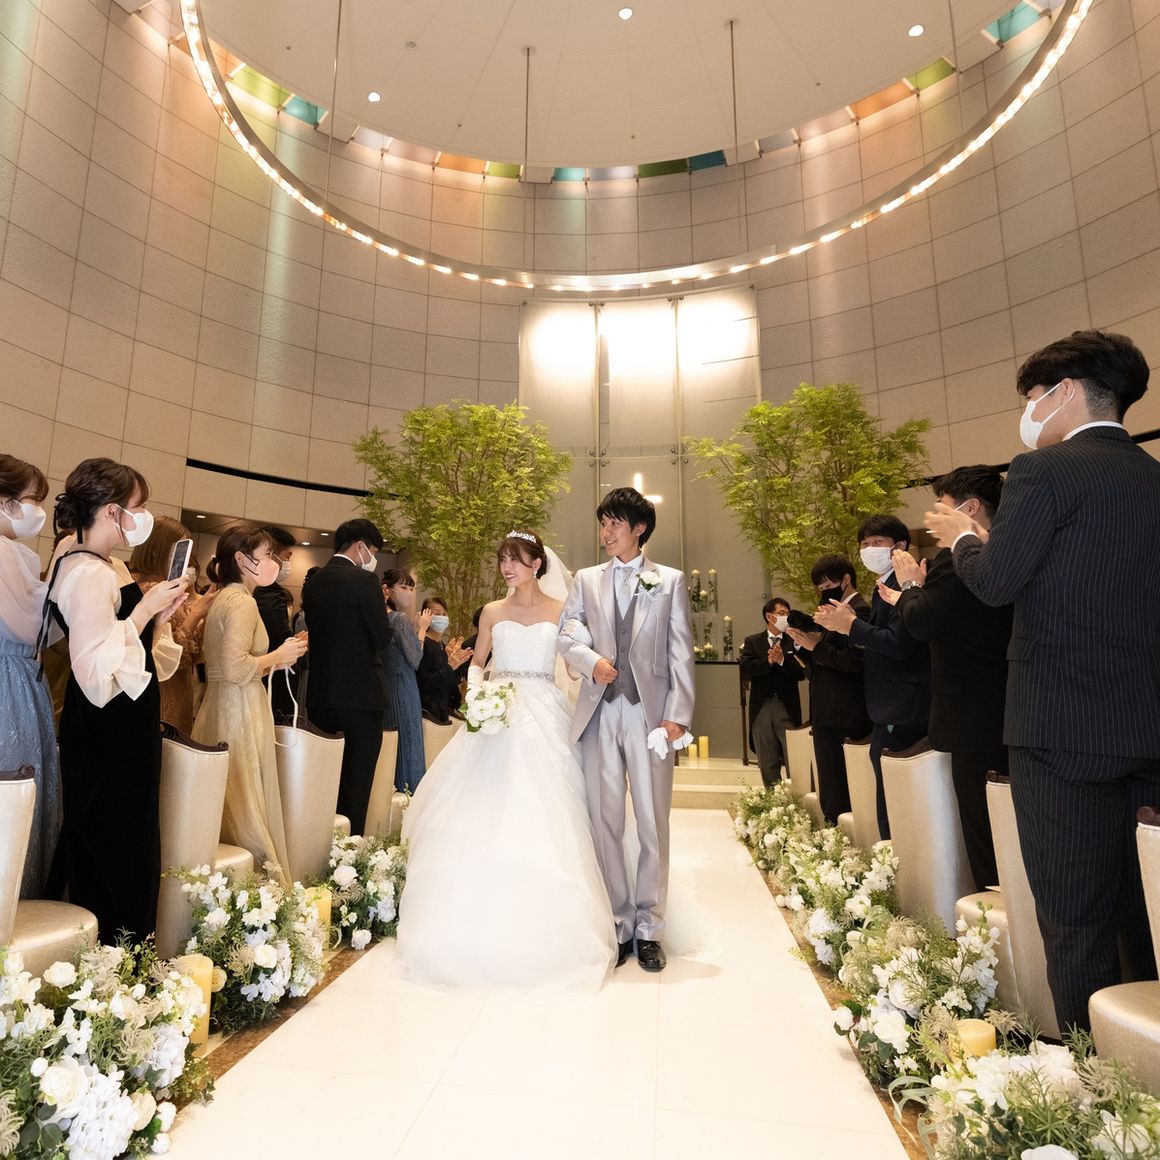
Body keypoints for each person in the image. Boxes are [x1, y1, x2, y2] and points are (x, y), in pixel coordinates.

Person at [925, 329, 1160, 1033]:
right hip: (1146, 727)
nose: (1029, 411)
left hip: (1060, 729)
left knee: (1074, 916)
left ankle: (1091, 1071)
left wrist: (963, 541)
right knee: (1145, 909)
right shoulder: (1152, 477)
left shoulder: (1042, 471)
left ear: (1066, 392)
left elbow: (997, 582)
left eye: (1033, 396)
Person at [395, 531, 617, 993]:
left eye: (515, 559)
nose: (507, 568)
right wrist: (478, 695)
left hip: (545, 709)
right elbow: (478, 663)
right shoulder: (493, 612)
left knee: (551, 805)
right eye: (502, 560)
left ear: (537, 564)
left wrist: (585, 659)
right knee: (480, 806)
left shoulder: (562, 610)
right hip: (497, 710)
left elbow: (571, 664)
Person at [44, 458, 186, 941]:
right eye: (137, 507)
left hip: (125, 721)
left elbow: (127, 645)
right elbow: (94, 673)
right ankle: (113, 952)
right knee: (113, 839)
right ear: (110, 511)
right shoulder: (87, 571)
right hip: (108, 727)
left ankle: (125, 948)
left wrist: (157, 616)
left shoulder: (105, 564)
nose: (142, 517)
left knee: (126, 834)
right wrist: (144, 611)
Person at [558, 487, 696, 973]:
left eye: (615, 523)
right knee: (606, 821)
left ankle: (649, 928)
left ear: (639, 528)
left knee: (654, 820)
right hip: (599, 711)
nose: (606, 532)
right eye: (603, 524)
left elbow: (680, 651)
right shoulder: (586, 579)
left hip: (650, 716)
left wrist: (677, 713)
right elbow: (566, 632)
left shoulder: (669, 581)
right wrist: (589, 660)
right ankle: (618, 924)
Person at [877, 465, 1011, 891]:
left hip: (970, 713)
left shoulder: (955, 562)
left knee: (982, 827)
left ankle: (992, 910)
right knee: (1005, 824)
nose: (933, 516)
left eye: (941, 506)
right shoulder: (1006, 551)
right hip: (1005, 704)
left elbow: (923, 622)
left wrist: (910, 587)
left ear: (969, 509)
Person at [192, 525, 306, 883]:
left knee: (232, 796)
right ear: (242, 560)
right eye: (267, 555)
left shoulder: (226, 597)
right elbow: (236, 668)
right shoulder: (241, 601)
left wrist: (278, 659)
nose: (273, 561)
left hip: (223, 702)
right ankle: (258, 884)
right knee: (246, 798)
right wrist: (278, 655)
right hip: (239, 707)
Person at [814, 515, 930, 840]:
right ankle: (888, 862)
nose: (868, 549)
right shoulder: (882, 587)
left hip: (902, 708)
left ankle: (896, 864)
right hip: (886, 707)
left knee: (896, 808)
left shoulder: (905, 587)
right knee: (886, 803)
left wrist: (852, 626)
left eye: (877, 542)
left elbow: (899, 644)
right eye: (864, 544)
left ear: (899, 546)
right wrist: (851, 626)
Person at [302, 520, 391, 833]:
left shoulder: (313, 582)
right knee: (356, 783)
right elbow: (381, 637)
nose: (372, 558)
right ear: (360, 545)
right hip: (361, 696)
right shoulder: (365, 581)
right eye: (373, 551)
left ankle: (316, 845)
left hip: (321, 695)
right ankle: (348, 853)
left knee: (324, 781)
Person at [0, 454, 61, 898]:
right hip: (10, 680)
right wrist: (62, 570)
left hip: (16, 673)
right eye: (31, 500)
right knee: (18, 788)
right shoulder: (6, 552)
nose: (37, 511)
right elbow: (35, 625)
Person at [785, 556, 871, 823]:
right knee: (829, 784)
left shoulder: (859, 612)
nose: (823, 591)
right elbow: (821, 665)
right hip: (827, 711)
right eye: (819, 587)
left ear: (846, 579)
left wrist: (816, 646)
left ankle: (839, 839)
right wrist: (803, 644)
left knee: (839, 788)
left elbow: (855, 661)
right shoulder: (832, 615)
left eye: (827, 585)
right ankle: (832, 836)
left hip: (845, 712)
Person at [129, 515, 217, 735]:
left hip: (166, 691)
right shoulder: (154, 590)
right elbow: (166, 653)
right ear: (157, 550)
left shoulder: (146, 585)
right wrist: (196, 615)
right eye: (179, 551)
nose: (184, 560)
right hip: (163, 693)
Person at [740, 597, 804, 786]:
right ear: (769, 616)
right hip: (762, 706)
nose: (786, 617)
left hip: (786, 705)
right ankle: (773, 799)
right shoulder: (753, 641)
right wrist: (768, 662)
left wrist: (782, 660)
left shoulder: (794, 641)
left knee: (793, 756)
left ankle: (796, 797)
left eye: (788, 613)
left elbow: (801, 673)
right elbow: (746, 669)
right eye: (782, 613)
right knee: (767, 759)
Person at [381, 569, 429, 793]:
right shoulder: (399, 618)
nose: (409, 592)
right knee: (409, 740)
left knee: (394, 743)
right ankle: (410, 791)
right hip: (404, 685)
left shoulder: (381, 617)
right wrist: (422, 630)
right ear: (388, 590)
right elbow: (416, 658)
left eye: (411, 588)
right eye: (403, 587)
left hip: (388, 685)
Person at [254, 526, 297, 720]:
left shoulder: (244, 589)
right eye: (287, 557)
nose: (287, 564)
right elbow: (279, 637)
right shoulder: (271, 592)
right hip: (268, 677)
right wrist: (297, 644)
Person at [416, 596, 473, 724]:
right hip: (428, 715)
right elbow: (426, 682)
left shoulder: (441, 645)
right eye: (437, 614)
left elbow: (449, 682)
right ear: (426, 616)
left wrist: (460, 663)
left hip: (443, 711)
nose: (442, 617)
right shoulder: (423, 644)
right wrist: (450, 666)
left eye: (444, 614)